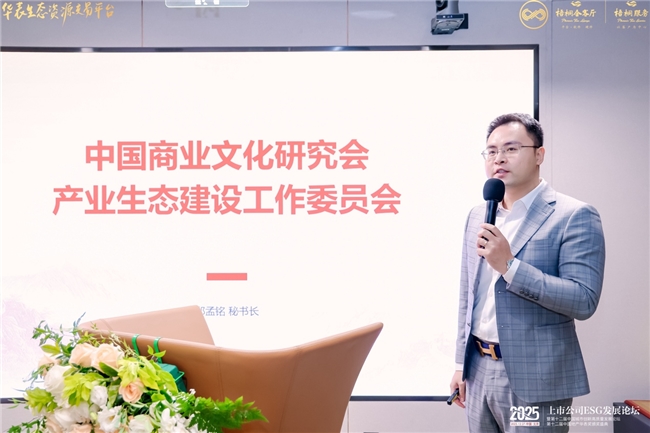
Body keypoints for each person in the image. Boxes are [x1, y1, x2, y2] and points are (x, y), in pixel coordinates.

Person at [449, 113, 606, 433]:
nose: (498, 158)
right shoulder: (478, 214)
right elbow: (468, 295)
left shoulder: (573, 215)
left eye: (511, 148)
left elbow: (583, 300)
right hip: (477, 370)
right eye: (491, 151)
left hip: (537, 378)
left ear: (539, 154)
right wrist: (460, 364)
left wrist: (510, 266)